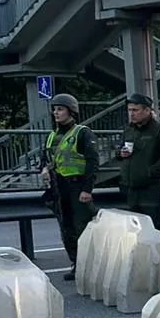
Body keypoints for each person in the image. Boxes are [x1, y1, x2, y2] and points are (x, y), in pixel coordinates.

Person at [118, 93, 160, 272]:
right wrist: (119, 153)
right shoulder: (129, 130)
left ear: (147, 110)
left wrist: (150, 172)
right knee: (138, 234)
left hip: (153, 189)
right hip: (132, 189)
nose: (132, 113)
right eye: (130, 110)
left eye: (136, 110)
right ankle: (145, 270)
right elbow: (121, 150)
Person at [41, 94, 99, 281]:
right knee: (66, 228)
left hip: (77, 186)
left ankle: (91, 267)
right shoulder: (51, 136)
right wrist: (43, 168)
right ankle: (77, 264)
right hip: (59, 187)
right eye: (54, 109)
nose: (56, 113)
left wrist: (87, 189)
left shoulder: (82, 133)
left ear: (71, 111)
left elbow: (92, 162)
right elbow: (46, 159)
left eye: (60, 109)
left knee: (82, 227)